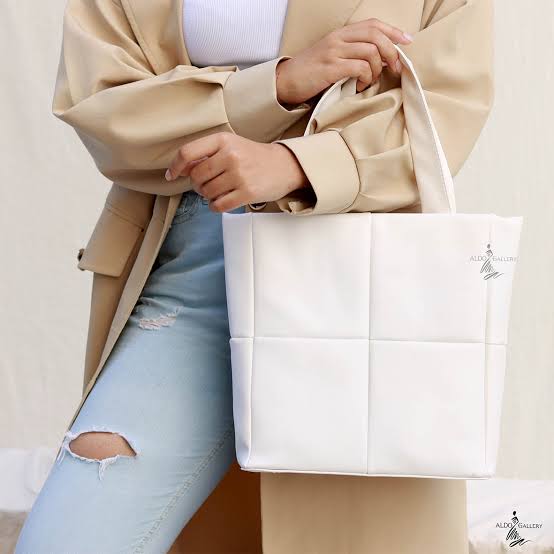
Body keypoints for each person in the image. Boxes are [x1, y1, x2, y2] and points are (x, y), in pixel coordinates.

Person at [15, 0, 493, 552]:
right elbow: (102, 105)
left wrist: (299, 165)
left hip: (357, 279)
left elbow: (445, 105)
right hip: (194, 272)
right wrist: (276, 85)